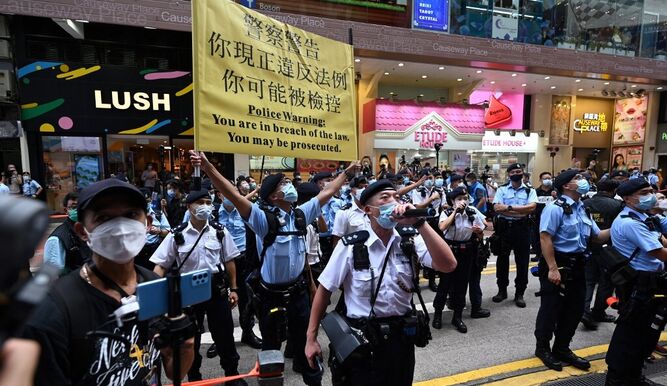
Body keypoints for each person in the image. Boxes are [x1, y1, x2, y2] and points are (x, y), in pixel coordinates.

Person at [190, 150, 357, 386]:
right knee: (271, 347)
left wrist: (347, 173)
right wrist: (207, 167)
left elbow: (328, 192)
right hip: (270, 297)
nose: (290, 186)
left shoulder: (300, 215)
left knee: (304, 340)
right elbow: (232, 193)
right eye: (284, 183)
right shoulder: (261, 219)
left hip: (298, 294)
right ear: (273, 196)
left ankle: (312, 378)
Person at [23, 178, 195, 385]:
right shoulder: (56, 307)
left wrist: (185, 346)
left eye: (131, 215)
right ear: (81, 231)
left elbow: (172, 371)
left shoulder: (153, 285)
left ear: (147, 223)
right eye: (104, 217)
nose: (120, 227)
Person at [304, 179, 457, 386]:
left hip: (401, 340)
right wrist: (311, 338)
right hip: (363, 342)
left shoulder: (409, 239)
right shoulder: (351, 246)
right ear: (369, 210)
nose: (394, 202)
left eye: (396, 197)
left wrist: (420, 223)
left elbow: (448, 265)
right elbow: (324, 291)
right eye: (385, 198)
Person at [150, 189, 246, 384]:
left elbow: (229, 261)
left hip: (216, 290)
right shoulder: (177, 235)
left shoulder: (220, 231)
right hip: (188, 293)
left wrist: (234, 288)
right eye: (199, 202)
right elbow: (161, 265)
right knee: (190, 339)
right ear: (189, 207)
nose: (205, 206)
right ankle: (194, 377)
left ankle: (232, 375)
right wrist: (152, 293)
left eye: (207, 202)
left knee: (225, 335)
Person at [534, 169, 610, 371]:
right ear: (566, 186)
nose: (583, 181)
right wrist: (552, 268)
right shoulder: (555, 208)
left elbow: (597, 237)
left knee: (574, 310)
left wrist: (621, 225)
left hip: (579, 264)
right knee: (551, 309)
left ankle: (562, 347)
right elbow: (545, 238)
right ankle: (542, 348)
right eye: (578, 178)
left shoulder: (582, 208)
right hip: (558, 263)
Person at [605, 179, 667, 385]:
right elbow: (660, 252)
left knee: (645, 334)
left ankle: (633, 375)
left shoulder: (643, 218)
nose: (650, 195)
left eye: (651, 191)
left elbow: (662, 240)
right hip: (639, 286)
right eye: (644, 192)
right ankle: (618, 379)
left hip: (650, 284)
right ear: (627, 198)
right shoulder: (630, 222)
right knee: (630, 334)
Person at [433, 187, 488, 333]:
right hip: (450, 251)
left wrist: (479, 232)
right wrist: (456, 212)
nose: (463, 201)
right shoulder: (447, 213)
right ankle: (437, 315)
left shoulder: (472, 211)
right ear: (452, 201)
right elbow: (442, 227)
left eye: (465, 198)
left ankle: (457, 317)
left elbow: (483, 231)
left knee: (462, 285)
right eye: (459, 199)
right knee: (445, 284)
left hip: (467, 251)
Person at [217, 191, 263, 349]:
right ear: (219, 195)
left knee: (246, 299)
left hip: (243, 259)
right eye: (227, 194)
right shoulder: (212, 212)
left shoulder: (247, 211)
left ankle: (247, 332)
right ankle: (220, 339)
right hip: (220, 261)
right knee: (220, 300)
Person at [492, 163, 538, 307]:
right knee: (502, 261)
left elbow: (531, 208)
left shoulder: (530, 191)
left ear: (523, 173)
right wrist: (521, 210)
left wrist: (509, 207)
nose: (516, 173)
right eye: (513, 172)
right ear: (509, 174)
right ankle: (502, 290)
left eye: (518, 171)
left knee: (522, 262)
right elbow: (497, 208)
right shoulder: (502, 189)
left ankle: (519, 293)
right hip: (504, 229)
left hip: (522, 229)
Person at [580, 179, 623, 330]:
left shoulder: (584, 203)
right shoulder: (618, 206)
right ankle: (598, 312)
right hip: (609, 250)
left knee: (588, 281)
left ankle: (584, 312)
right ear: (613, 191)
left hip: (587, 247)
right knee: (606, 283)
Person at [43, 192, 93, 274]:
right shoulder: (57, 239)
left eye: (80, 206)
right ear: (66, 210)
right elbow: (52, 274)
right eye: (73, 207)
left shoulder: (90, 229)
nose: (77, 210)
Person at [136, 189, 170, 270]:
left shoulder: (158, 213)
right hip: (139, 252)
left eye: (147, 200)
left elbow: (168, 232)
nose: (145, 203)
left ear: (150, 199)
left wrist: (159, 231)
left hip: (155, 250)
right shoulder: (133, 215)